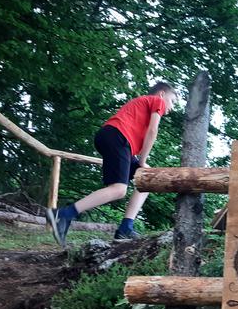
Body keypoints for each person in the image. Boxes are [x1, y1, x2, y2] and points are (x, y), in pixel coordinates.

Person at [46, 82, 178, 246]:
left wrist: (141, 163)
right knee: (119, 189)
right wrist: (142, 161)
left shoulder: (142, 104)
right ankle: (63, 214)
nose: (172, 108)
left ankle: (125, 229)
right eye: (172, 101)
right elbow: (153, 131)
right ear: (162, 94)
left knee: (148, 180)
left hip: (115, 139)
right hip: (117, 136)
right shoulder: (155, 101)